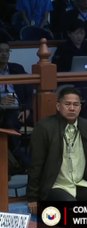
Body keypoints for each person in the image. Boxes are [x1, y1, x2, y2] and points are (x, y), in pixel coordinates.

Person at [27, 87, 87, 213]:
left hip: (81, 184)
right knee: (72, 208)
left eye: (76, 104)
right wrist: (32, 197)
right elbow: (35, 164)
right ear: (58, 106)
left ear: (80, 108)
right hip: (55, 186)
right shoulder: (44, 127)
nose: (72, 108)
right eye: (67, 104)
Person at [0, 40, 33, 168]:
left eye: (7, 51)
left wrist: (28, 109)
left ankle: (41, 161)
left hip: (21, 108)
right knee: (9, 123)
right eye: (0, 51)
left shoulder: (17, 68)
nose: (4, 54)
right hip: (3, 110)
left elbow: (29, 91)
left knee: (46, 122)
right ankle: (19, 156)